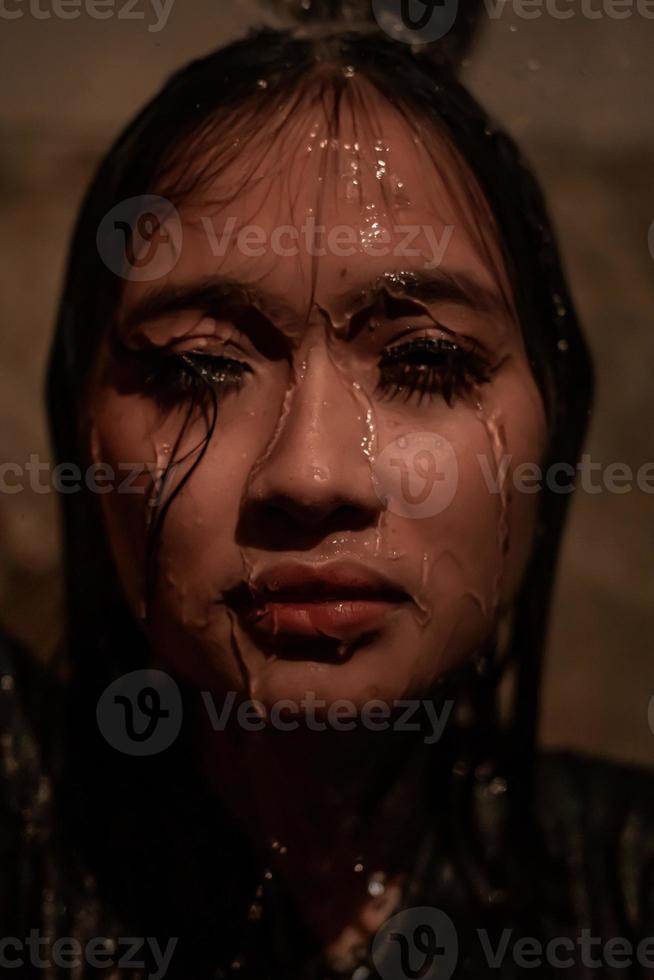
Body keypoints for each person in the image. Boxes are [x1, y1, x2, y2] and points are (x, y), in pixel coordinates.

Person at [1, 3, 652, 978]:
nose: (311, 474)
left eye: (428, 361)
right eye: (198, 367)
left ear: (556, 422)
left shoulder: (631, 882)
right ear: (79, 420)